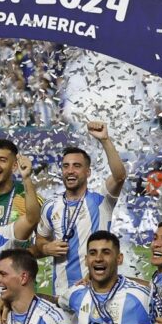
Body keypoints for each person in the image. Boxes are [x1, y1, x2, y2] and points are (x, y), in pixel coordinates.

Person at [33, 121, 128, 297]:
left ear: (88, 172)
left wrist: (105, 140)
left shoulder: (101, 200)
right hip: (61, 295)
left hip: (96, 293)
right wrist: (46, 248)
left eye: (77, 166)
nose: (70, 171)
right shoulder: (50, 206)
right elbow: (40, 240)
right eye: (65, 166)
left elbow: (120, 176)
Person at [0, 140, 39, 227]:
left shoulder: (26, 196)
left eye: (2, 160)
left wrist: (26, 178)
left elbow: (40, 232)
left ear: (14, 166)